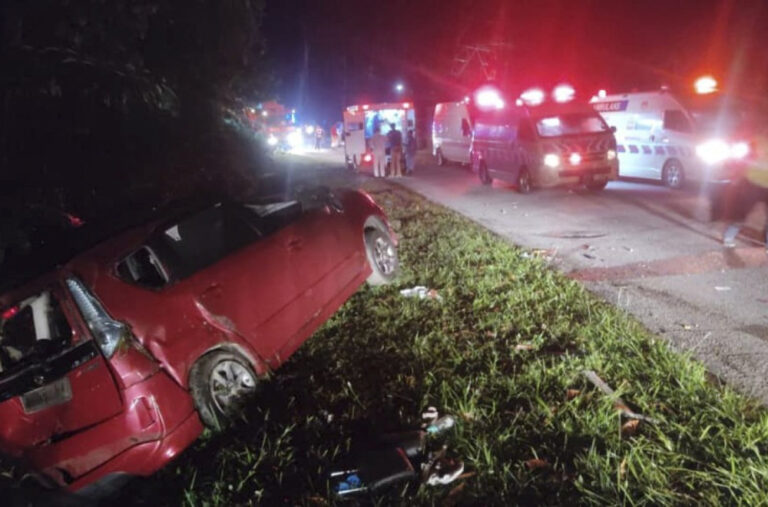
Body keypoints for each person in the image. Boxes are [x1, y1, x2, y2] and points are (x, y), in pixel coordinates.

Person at [722, 130, 768, 252]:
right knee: (741, 213)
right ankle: (729, 236)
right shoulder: (758, 140)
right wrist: (736, 174)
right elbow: (743, 159)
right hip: (752, 183)